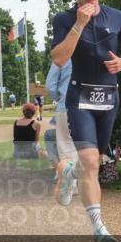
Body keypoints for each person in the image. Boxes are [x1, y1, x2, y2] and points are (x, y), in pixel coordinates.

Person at [51, 0, 121, 242]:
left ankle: (69, 170)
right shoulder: (64, 19)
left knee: (95, 162)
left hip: (109, 98)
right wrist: (79, 23)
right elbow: (60, 59)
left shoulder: (118, 17)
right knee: (91, 164)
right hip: (80, 97)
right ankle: (99, 229)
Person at [45, 59, 77, 196]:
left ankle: (71, 183)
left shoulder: (63, 56)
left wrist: (61, 97)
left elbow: (50, 86)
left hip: (67, 105)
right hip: (92, 106)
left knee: (66, 147)